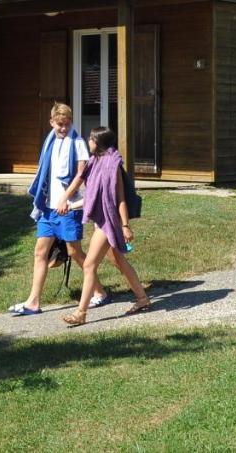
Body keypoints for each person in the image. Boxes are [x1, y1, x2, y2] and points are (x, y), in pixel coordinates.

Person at [8, 102, 109, 315]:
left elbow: (80, 175)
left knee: (74, 251)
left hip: (69, 206)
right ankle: (33, 302)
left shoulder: (78, 143)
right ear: (52, 122)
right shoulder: (50, 141)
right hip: (48, 207)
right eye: (60, 124)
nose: (64, 128)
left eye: (67, 123)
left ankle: (99, 291)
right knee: (40, 252)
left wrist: (65, 198)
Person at [58, 125, 151, 326]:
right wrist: (70, 203)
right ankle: (142, 299)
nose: (88, 142)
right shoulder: (94, 162)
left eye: (90, 139)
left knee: (90, 264)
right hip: (102, 220)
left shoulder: (112, 165)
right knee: (119, 261)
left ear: (97, 142)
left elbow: (120, 198)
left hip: (111, 221)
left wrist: (125, 225)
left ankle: (80, 313)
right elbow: (91, 194)